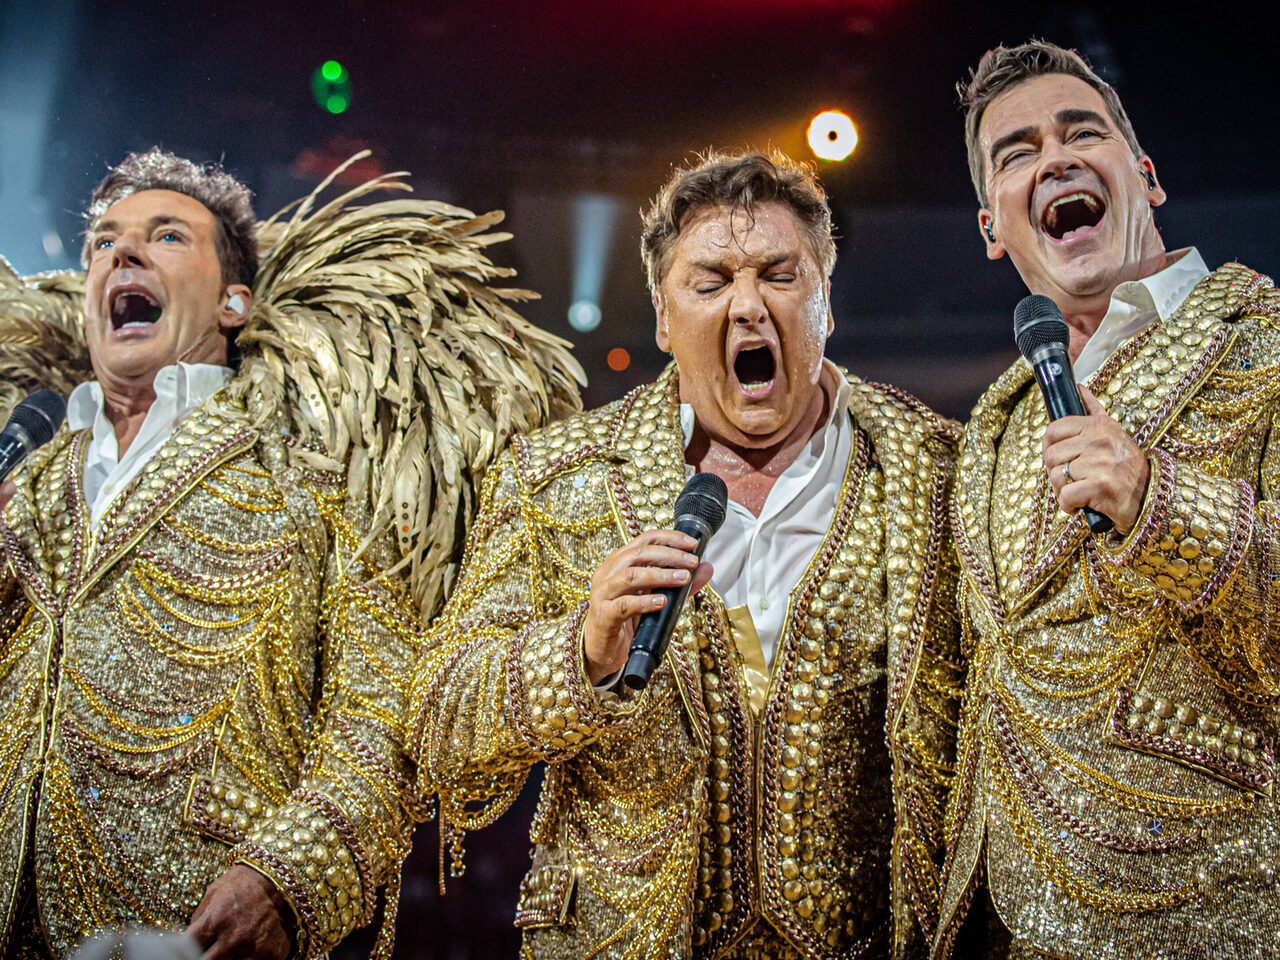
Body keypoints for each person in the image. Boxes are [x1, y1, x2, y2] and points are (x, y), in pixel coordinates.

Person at [0, 150, 582, 959]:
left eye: (165, 236)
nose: (121, 252)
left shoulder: (313, 472)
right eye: (103, 242)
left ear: (234, 302)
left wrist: (285, 880)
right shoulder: (25, 477)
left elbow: (381, 718)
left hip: (194, 931)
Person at [413, 151, 963, 959]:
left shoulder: (936, 467)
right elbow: (440, 720)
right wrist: (581, 651)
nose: (748, 306)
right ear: (664, 318)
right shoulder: (558, 476)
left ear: (825, 300)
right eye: (710, 283)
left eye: (780, 275)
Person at [936, 41, 1280, 960]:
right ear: (992, 228)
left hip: (1212, 916)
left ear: (1146, 177)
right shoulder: (993, 423)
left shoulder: (1263, 343)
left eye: (1081, 133)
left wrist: (1157, 501)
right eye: (1017, 153)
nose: (1054, 160)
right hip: (1002, 924)